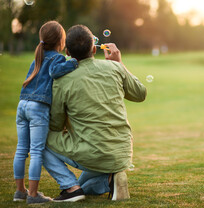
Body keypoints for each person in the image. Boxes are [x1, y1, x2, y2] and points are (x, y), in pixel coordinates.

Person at [43, 24, 147, 202]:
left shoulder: (62, 80)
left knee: (37, 137)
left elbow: (55, 125)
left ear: (67, 52)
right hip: (122, 152)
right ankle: (111, 179)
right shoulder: (115, 67)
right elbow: (140, 93)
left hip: (92, 151)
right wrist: (119, 63)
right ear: (94, 48)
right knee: (86, 187)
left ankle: (70, 188)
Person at [13, 21, 78, 204]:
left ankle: (20, 192)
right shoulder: (57, 58)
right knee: (36, 151)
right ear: (60, 41)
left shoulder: (37, 58)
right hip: (38, 108)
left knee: (21, 150)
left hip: (22, 105)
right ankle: (33, 195)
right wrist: (73, 62)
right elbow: (56, 72)